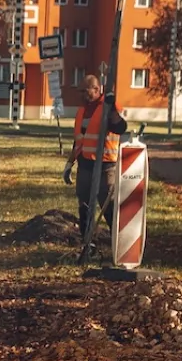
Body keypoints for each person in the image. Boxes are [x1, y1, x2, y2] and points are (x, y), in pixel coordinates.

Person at [66, 73, 127, 246]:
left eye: (86, 91)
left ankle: (121, 243)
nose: (82, 95)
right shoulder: (82, 111)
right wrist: (70, 163)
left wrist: (112, 109)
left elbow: (121, 127)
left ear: (97, 89)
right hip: (85, 165)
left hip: (105, 165)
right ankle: (87, 243)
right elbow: (79, 141)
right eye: (80, 92)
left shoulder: (107, 106)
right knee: (84, 204)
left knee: (108, 203)